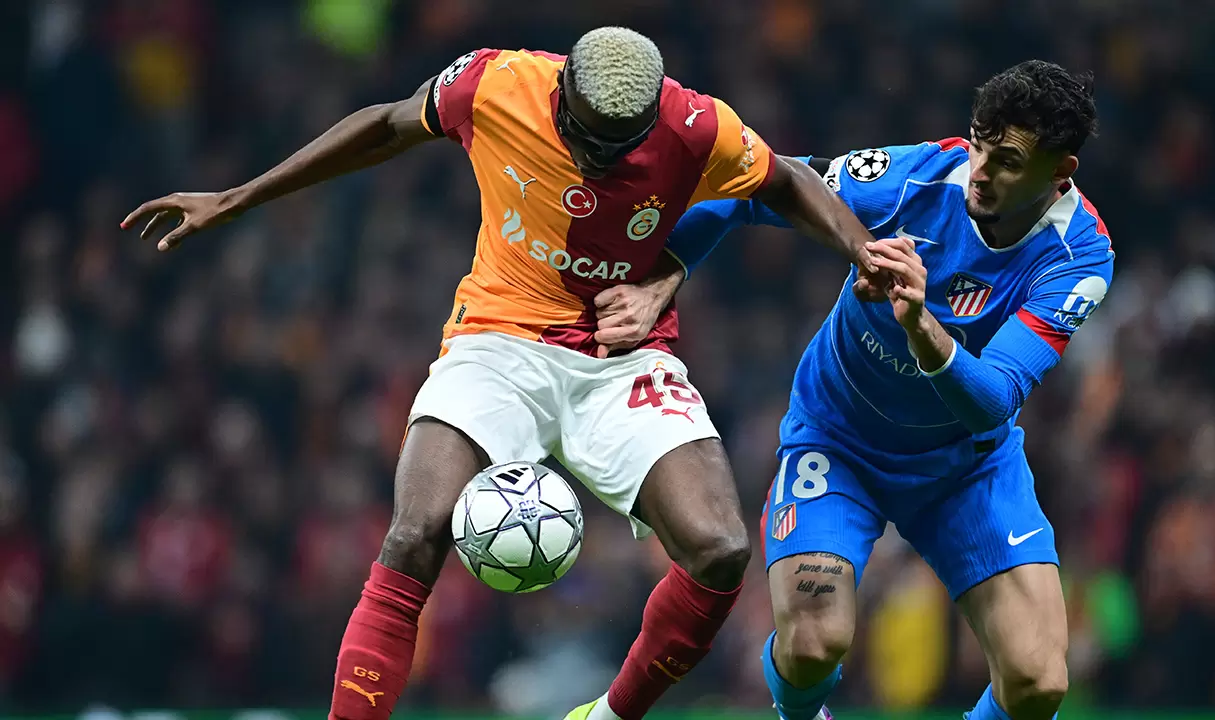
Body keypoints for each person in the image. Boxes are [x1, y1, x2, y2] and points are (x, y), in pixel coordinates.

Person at [120, 27, 891, 720]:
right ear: (562, 96)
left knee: (720, 548)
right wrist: (241, 196)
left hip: (622, 359)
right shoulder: (497, 82)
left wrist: (863, 249)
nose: (599, 161)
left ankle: (608, 717)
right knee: (416, 531)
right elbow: (387, 124)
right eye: (587, 141)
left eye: (619, 148)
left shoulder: (694, 124)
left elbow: (786, 180)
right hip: (498, 342)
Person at [613, 60, 1111, 720]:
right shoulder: (912, 178)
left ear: (1060, 172)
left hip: (965, 467)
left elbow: (993, 400)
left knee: (1038, 681)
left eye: (1009, 161)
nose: (981, 171)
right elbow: (754, 182)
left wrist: (919, 324)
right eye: (978, 145)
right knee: (813, 644)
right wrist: (667, 274)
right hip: (839, 442)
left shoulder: (1079, 256)